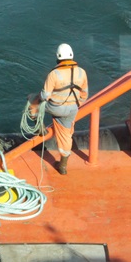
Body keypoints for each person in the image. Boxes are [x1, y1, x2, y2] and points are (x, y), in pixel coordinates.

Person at [35, 43, 88, 175]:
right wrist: (75, 105)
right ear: (72, 56)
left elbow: (44, 96)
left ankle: (39, 127)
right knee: (66, 137)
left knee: (32, 101)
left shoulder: (54, 74)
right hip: (73, 109)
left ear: (58, 58)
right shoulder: (82, 72)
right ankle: (63, 166)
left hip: (56, 108)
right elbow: (84, 94)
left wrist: (37, 101)